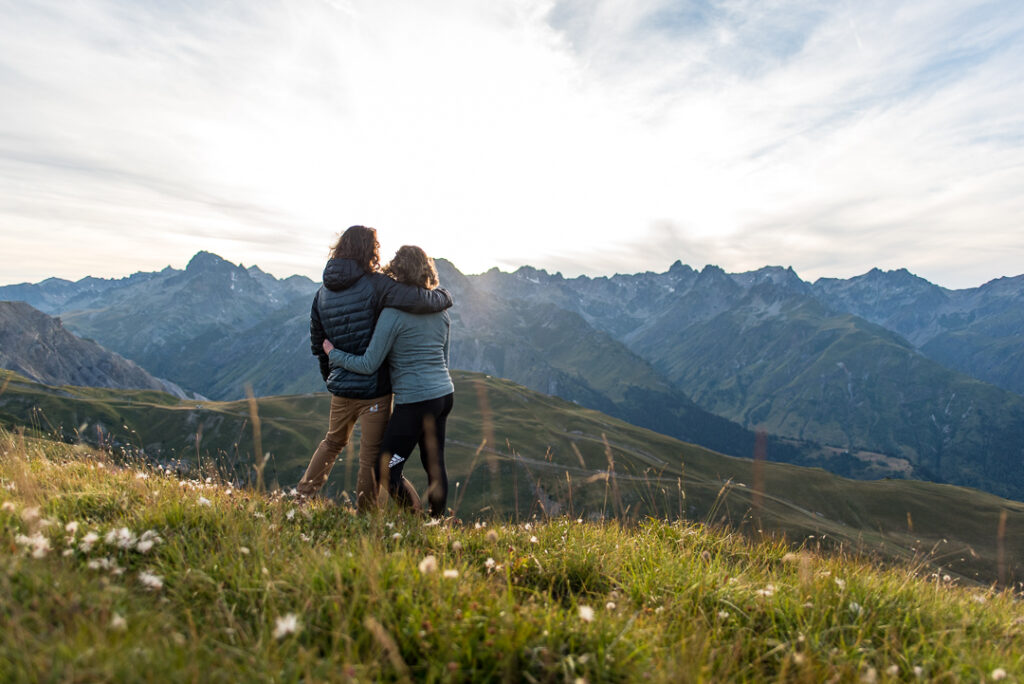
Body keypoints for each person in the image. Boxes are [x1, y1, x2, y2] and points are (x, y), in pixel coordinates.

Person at [300, 226, 452, 511]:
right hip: (378, 390)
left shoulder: (321, 293)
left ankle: (301, 497)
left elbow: (318, 343)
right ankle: (368, 514)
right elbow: (416, 298)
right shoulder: (378, 285)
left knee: (332, 443)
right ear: (369, 250)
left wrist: (332, 376)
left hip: (342, 385)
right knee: (373, 457)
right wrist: (443, 297)